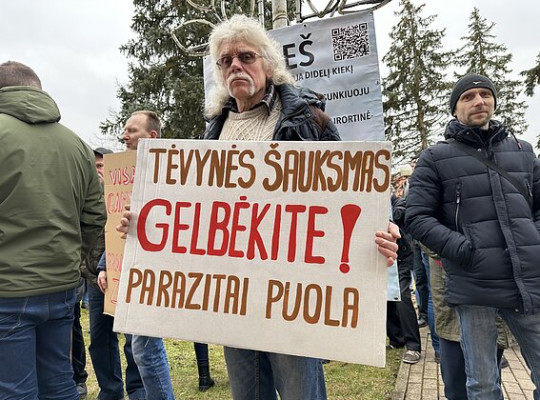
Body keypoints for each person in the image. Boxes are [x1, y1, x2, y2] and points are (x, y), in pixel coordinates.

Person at [120, 15, 399, 400]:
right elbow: (196, 213)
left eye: (246, 56)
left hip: (293, 295)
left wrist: (381, 225)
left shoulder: (309, 121)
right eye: (225, 60)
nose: (235, 65)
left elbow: (351, 193)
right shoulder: (212, 134)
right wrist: (145, 224)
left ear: (268, 64)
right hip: (233, 296)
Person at [405, 73, 540, 400]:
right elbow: (417, 216)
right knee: (482, 384)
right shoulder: (435, 158)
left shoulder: (523, 151)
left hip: (526, 281)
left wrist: (534, 243)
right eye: (468, 97)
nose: (479, 101)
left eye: (485, 94)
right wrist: (463, 249)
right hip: (474, 283)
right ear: (455, 108)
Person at [0, 61, 107, 399]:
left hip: (8, 289)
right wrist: (75, 261)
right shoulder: (77, 145)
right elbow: (95, 218)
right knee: (60, 383)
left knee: (14, 391)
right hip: (62, 286)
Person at [83, 146, 147, 400]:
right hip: (94, 278)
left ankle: (137, 390)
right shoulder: (86, 198)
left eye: (101, 166)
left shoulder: (127, 196)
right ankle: (110, 391)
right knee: (100, 339)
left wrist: (107, 266)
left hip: (122, 273)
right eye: (94, 167)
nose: (97, 171)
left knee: (133, 342)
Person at [387, 194, 422, 364]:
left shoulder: (394, 201)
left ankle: (413, 346)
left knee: (402, 296)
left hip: (401, 256)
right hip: (384, 257)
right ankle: (396, 339)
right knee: (386, 297)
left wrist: (388, 217)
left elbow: (402, 211)